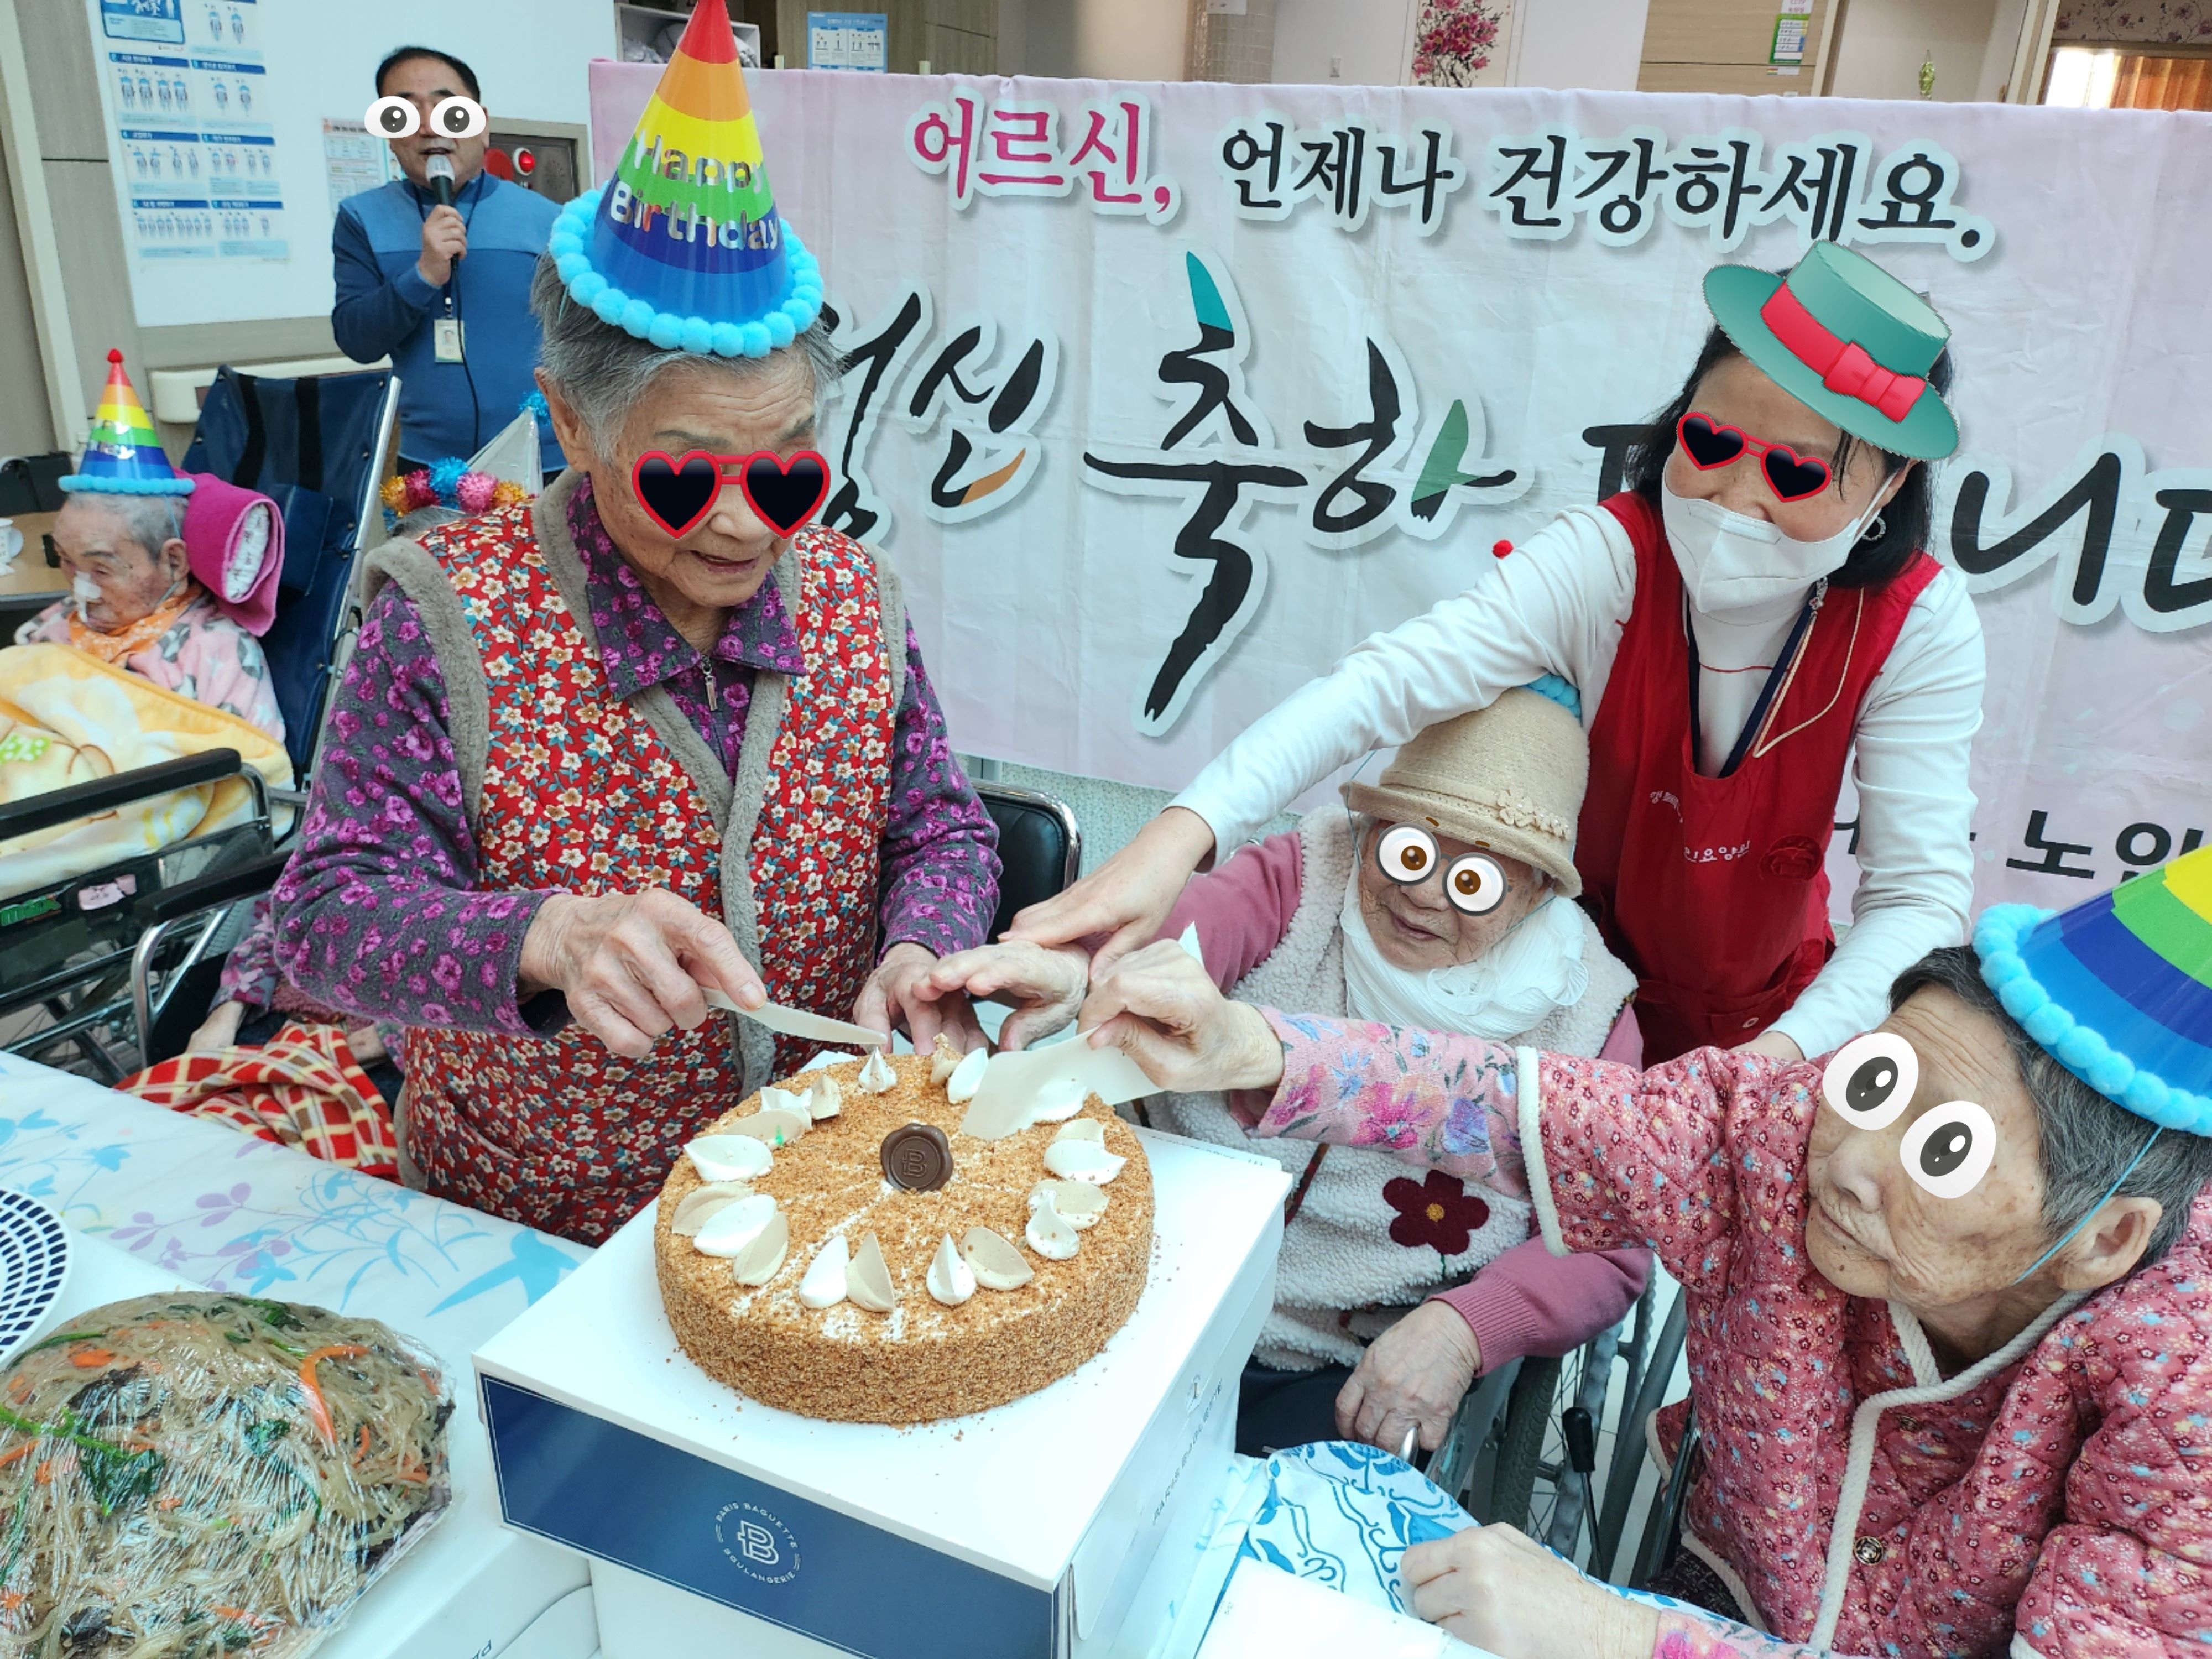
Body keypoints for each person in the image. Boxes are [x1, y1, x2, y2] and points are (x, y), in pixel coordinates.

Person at [1077, 847, 2212, 1659]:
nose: (1848, 1162)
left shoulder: (2184, 1393)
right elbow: (1525, 1107)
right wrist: (1252, 1047)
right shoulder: (1781, 1139)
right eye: (1873, 1083)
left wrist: (1621, 1635)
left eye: (1943, 1152)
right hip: (1710, 1594)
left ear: (2105, 1239)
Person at [273, 4, 999, 1244]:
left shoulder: (852, 597)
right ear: (570, 420)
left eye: (786, 471)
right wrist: (544, 936)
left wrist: (921, 948)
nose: (746, 526)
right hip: (545, 1225)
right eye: (685, 474)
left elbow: (939, 823)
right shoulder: (447, 619)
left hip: (819, 1212)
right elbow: (322, 921)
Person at [1014, 241, 1984, 1071]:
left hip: (1771, 1018)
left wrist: (1777, 1059)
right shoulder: (1608, 559)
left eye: (1798, 472)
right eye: (1711, 440)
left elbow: (1918, 897)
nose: (1737, 497)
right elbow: (1385, 686)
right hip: (1563, 997)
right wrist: (1175, 842)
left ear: (1889, 484)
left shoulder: (1917, 625)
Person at [922, 687, 1648, 1458]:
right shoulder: (1312, 868)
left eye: (1475, 880)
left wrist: (1465, 1329)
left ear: (1537, 891)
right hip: (1148, 1267)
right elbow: (1181, 943)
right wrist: (1080, 974)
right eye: (1407, 849)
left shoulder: (1589, 1012)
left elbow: (1611, 1244)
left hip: (1340, 1358)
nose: (1423, 893)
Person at [15, 351, 283, 744]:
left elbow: (256, 767)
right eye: (66, 561)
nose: (81, 588)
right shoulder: (56, 623)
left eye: (101, 569)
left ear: (173, 561)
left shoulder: (215, 651)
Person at [332, 45, 562, 471]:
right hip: (428, 470)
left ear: (482, 126)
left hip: (545, 461)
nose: (428, 126)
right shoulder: (361, 218)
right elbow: (357, 342)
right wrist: (422, 275)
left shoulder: (551, 220)